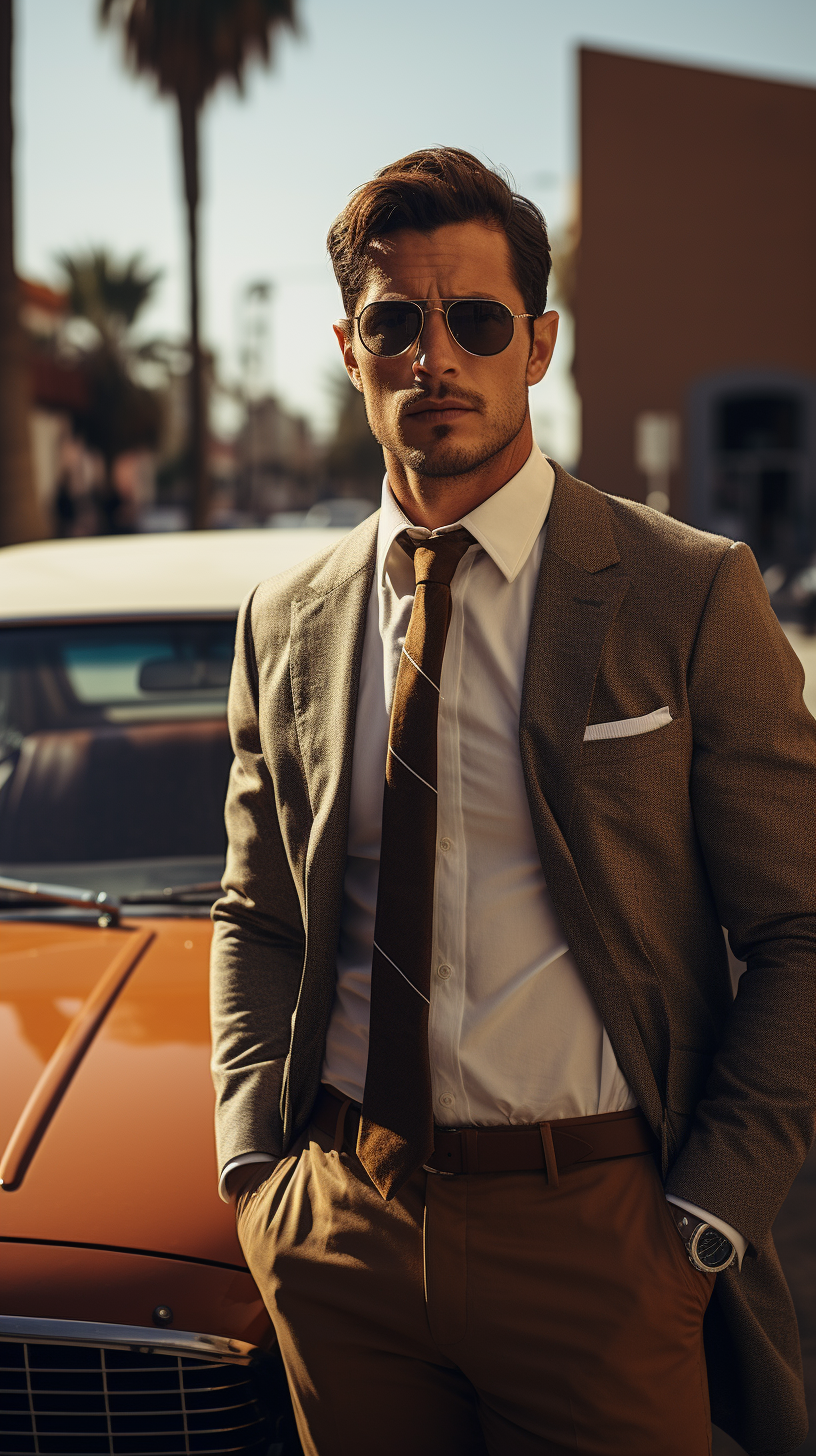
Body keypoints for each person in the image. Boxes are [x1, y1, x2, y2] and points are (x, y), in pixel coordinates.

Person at [210, 147, 815, 1456]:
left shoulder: (688, 592)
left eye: (477, 321)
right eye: (396, 324)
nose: (437, 358)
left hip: (603, 1238)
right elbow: (257, 914)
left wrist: (703, 1216)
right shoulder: (288, 619)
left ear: (537, 344)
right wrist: (258, 1169)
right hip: (345, 1235)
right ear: (349, 348)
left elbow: (802, 932)